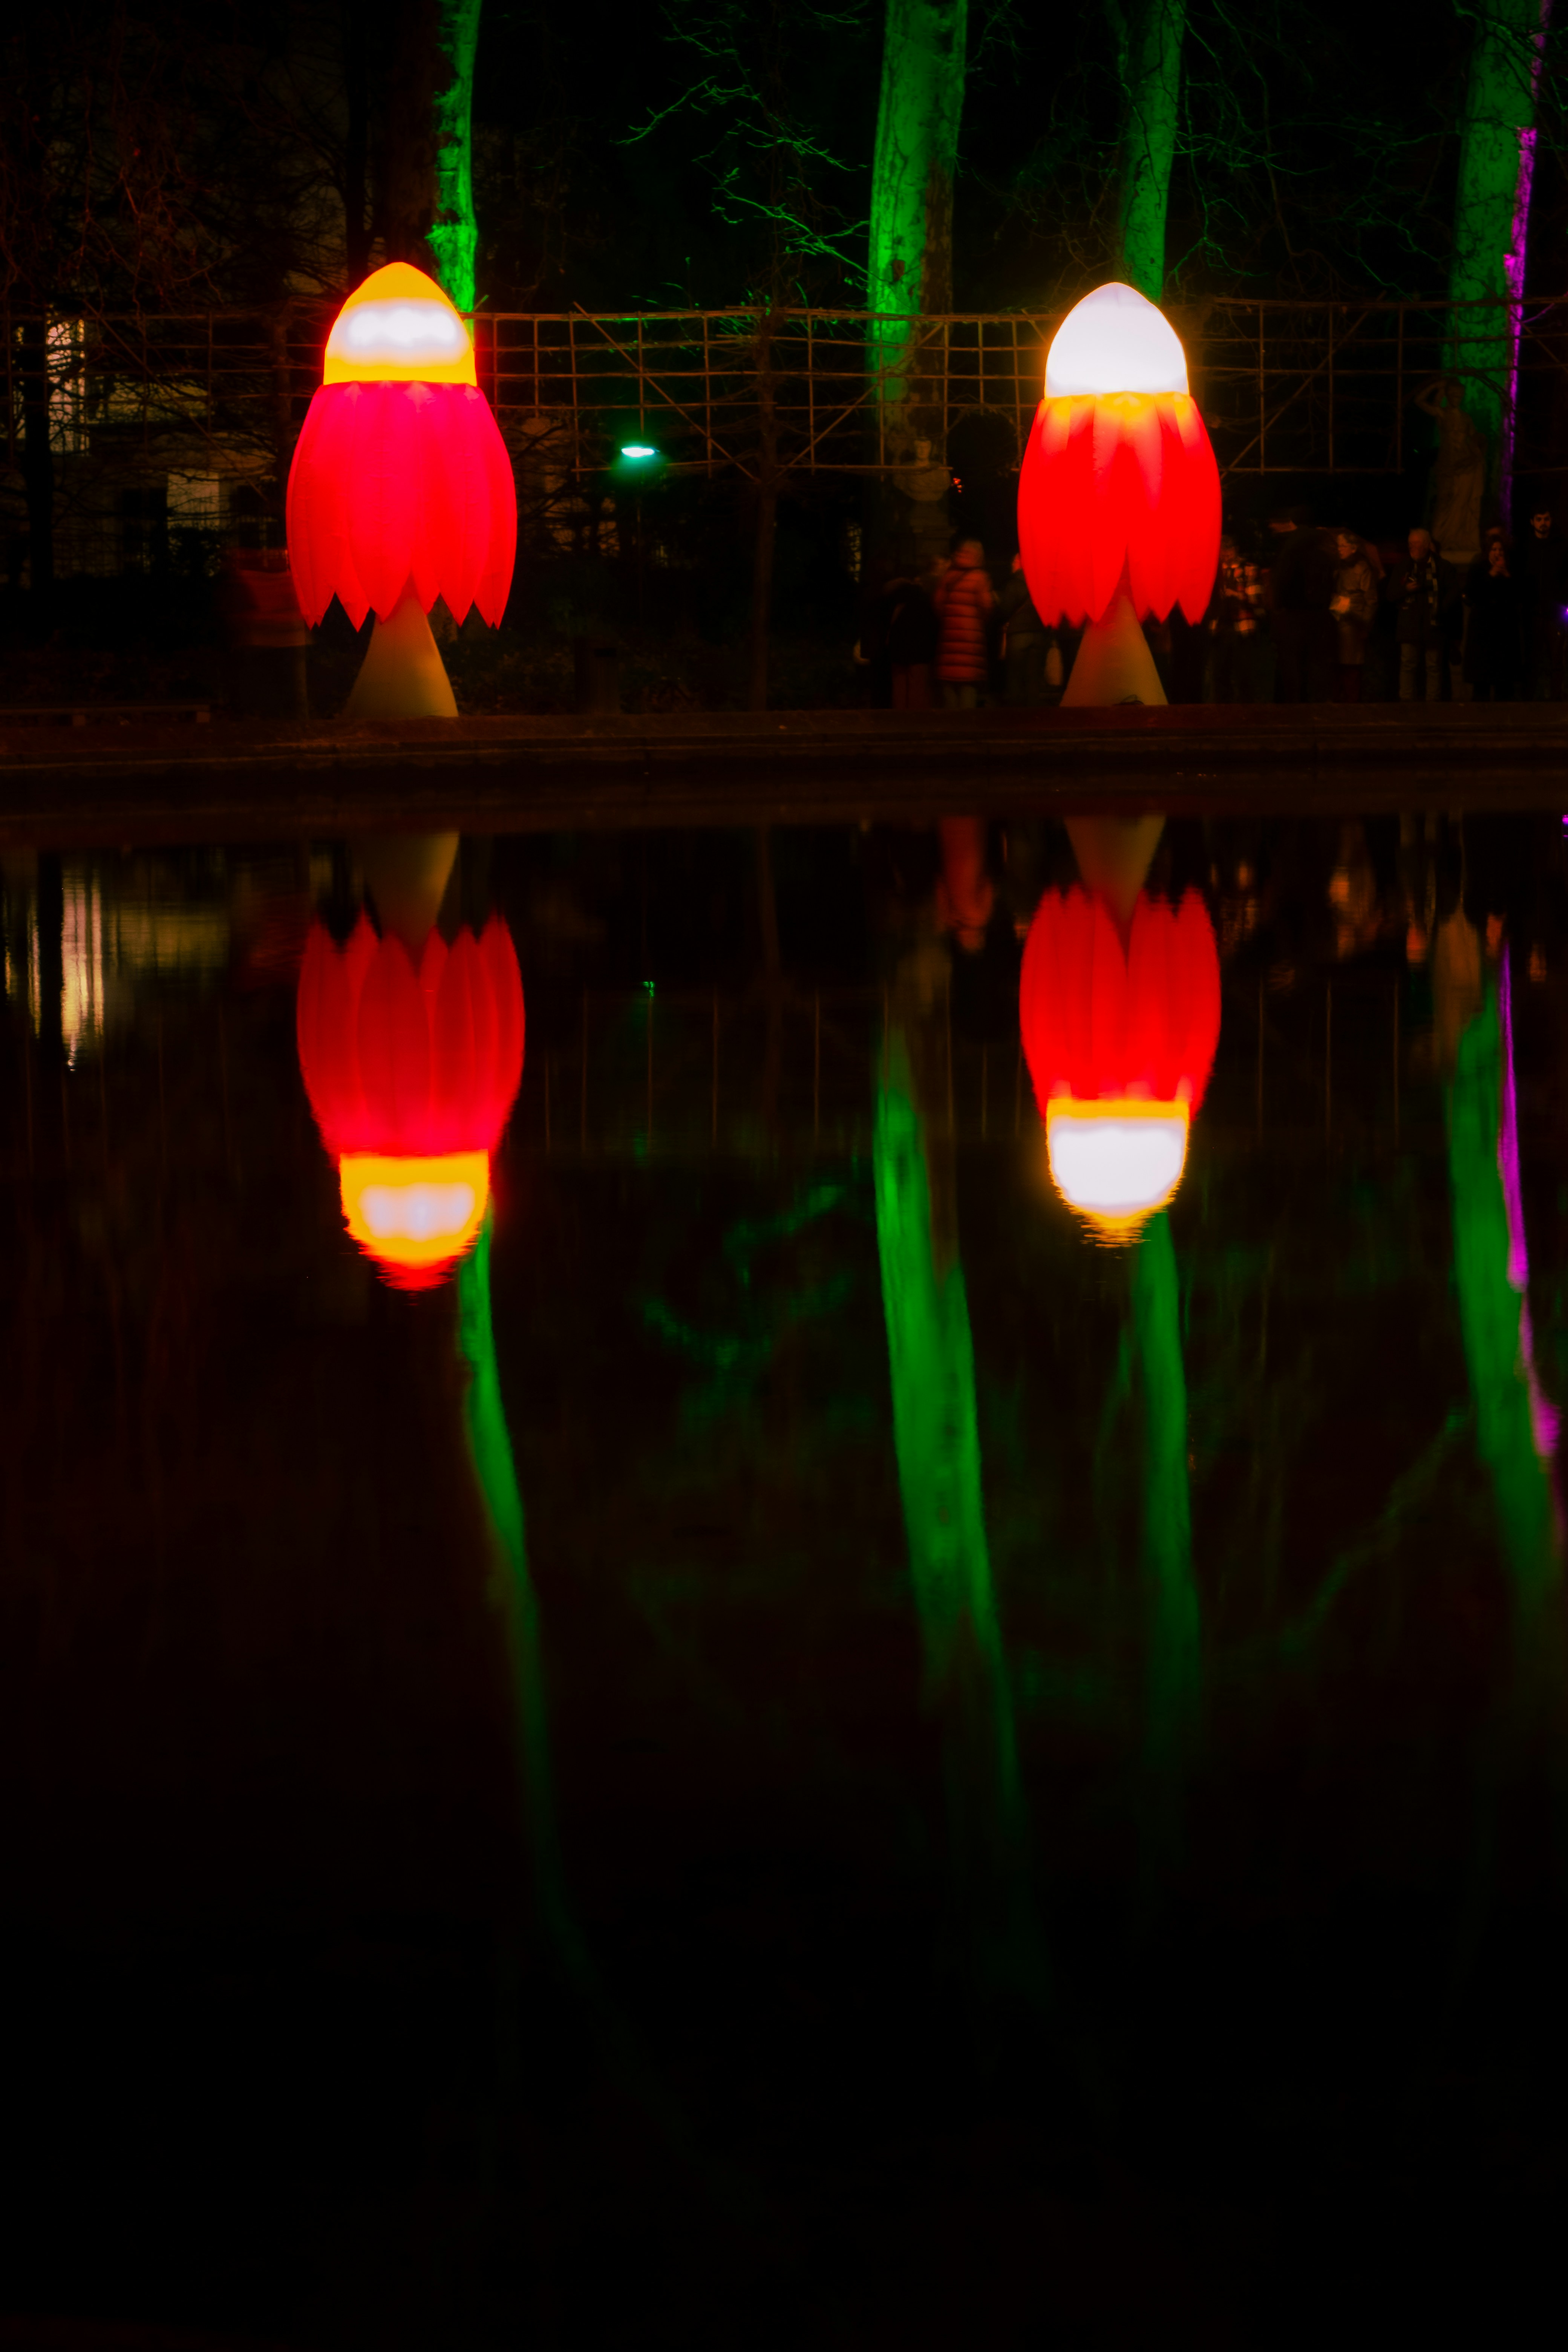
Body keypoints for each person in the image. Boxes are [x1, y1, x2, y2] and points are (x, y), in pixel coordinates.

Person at [1267, 507, 1335, 700]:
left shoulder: (1290, 550)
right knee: (1309, 664)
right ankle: (1307, 701)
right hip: (1316, 616)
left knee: (1290, 666)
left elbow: (1283, 581)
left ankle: (1290, 704)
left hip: (1292, 616)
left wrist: (1279, 606)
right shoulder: (1322, 551)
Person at [1384, 528, 1456, 701]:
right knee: (1408, 664)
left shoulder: (1443, 567)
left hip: (1433, 626)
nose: (1411, 547)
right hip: (1409, 626)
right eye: (1410, 544)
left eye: (1415, 543)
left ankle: (1432, 703)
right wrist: (1405, 590)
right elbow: (1390, 594)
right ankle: (1407, 702)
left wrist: (1439, 610)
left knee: (1433, 666)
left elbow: (1453, 594)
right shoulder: (1403, 567)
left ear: (1427, 545)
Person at [933, 538, 995, 709]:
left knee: (949, 689)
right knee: (969, 686)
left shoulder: (948, 577)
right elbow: (987, 606)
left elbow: (938, 606)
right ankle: (967, 727)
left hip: (949, 640)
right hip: (971, 640)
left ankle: (951, 729)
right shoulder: (980, 578)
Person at [1463, 531, 1524, 701]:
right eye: (1494, 549)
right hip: (1483, 632)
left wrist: (1507, 576)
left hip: (1505, 631)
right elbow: (1472, 593)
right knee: (1482, 681)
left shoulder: (1512, 570)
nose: (1498, 553)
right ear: (1488, 551)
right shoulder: (1478, 569)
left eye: (1501, 550)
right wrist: (1491, 575)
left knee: (1504, 682)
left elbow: (1519, 595)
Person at [1518, 508, 1568, 700]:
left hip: (1554, 614)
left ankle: (1556, 700)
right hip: (1532, 613)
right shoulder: (1526, 546)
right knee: (1532, 661)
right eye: (1539, 519)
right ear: (1532, 522)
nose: (1543, 523)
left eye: (1546, 519)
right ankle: (1530, 702)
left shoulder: (1561, 546)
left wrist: (1561, 601)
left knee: (1557, 661)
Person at [1209, 536, 1264, 703]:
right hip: (1220, 627)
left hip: (1242, 626)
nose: (1225, 554)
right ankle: (1223, 708)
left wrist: (1236, 595)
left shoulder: (1249, 569)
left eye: (1229, 550)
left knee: (1244, 672)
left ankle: (1246, 708)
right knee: (1220, 673)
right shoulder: (1214, 569)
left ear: (1236, 550)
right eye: (1222, 551)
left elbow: (1256, 599)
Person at [1328, 528, 1378, 701]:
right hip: (1337, 621)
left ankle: (1352, 706)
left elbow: (1371, 601)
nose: (1340, 549)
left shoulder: (1363, 569)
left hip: (1354, 624)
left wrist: (1365, 625)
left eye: (1343, 546)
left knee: (1351, 668)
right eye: (1338, 546)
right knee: (1335, 667)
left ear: (1353, 548)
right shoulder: (1337, 568)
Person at [996, 553, 1051, 705]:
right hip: (1039, 634)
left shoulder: (1014, 584)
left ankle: (1016, 715)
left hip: (1018, 634)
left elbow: (1005, 610)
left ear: (1021, 563)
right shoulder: (1040, 582)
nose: (1012, 564)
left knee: (1015, 676)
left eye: (1015, 561)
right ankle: (1033, 715)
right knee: (1033, 677)